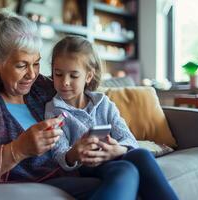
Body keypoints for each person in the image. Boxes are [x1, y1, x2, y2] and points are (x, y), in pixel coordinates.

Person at [0, 12, 103, 199]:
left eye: (36, 64)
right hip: (33, 187)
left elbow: (87, 99)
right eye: (21, 65)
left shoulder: (44, 88)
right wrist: (17, 150)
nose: (32, 74)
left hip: (75, 173)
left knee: (131, 167)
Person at [45, 35, 179, 200]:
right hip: (84, 167)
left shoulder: (104, 103)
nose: (65, 82)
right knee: (126, 169)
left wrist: (118, 150)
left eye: (73, 75)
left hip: (112, 159)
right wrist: (74, 153)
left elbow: (128, 139)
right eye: (58, 74)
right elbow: (58, 154)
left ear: (88, 76)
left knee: (141, 155)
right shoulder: (53, 110)